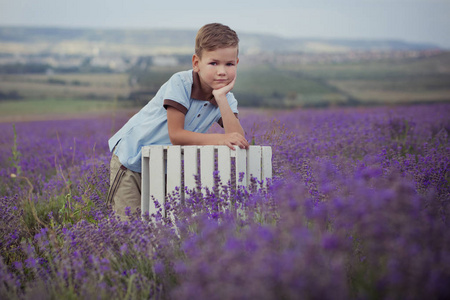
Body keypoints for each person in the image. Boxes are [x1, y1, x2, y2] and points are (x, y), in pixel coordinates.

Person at [107, 23, 249, 219]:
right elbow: (176, 135)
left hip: (163, 166)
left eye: (229, 64)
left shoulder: (225, 97)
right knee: (129, 226)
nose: (222, 71)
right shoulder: (181, 83)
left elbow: (237, 138)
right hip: (132, 158)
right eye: (213, 63)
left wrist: (221, 98)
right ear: (196, 63)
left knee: (161, 227)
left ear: (237, 63)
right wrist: (219, 139)